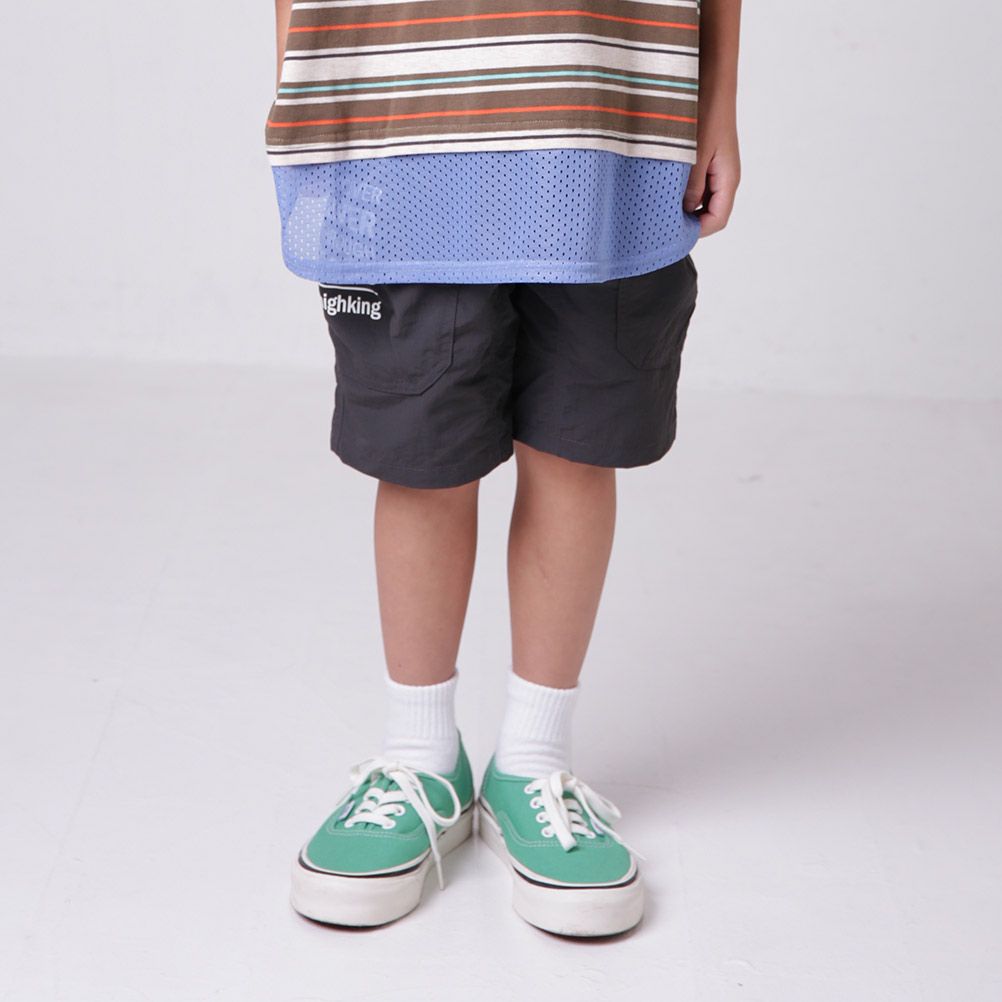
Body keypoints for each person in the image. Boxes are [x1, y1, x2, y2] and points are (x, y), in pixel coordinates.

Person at [267, 0, 740, 937]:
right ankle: (420, 756)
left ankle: (532, 759)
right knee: (422, 456)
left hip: (612, 113)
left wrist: (716, 103)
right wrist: (306, 87)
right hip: (401, 114)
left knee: (576, 444)